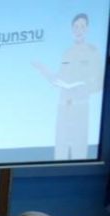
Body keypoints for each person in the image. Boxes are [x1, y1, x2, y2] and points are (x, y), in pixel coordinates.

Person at [34, 13, 104, 161]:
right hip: (64, 107)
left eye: (82, 27)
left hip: (80, 107)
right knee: (60, 151)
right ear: (72, 29)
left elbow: (99, 83)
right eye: (76, 27)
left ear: (87, 29)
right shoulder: (67, 52)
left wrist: (84, 88)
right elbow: (58, 80)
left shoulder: (93, 51)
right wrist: (43, 70)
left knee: (79, 150)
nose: (79, 30)